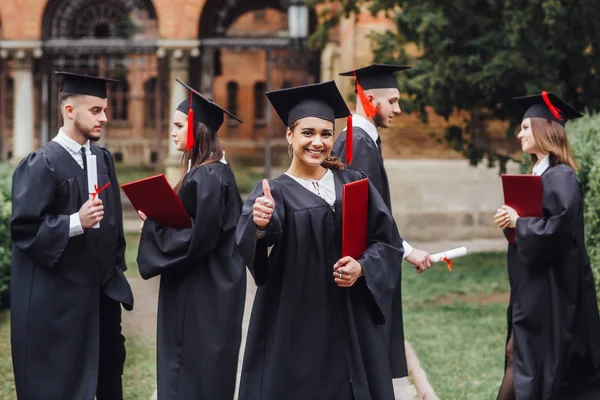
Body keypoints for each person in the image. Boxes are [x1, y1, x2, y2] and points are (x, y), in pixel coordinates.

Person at [236, 81, 404, 400]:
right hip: (298, 324)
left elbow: (387, 241)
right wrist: (259, 225)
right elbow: (257, 247)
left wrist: (363, 267)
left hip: (352, 321)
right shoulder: (273, 192)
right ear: (290, 135)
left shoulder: (354, 183)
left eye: (326, 134)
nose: (318, 142)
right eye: (308, 133)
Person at [10, 71, 134, 399]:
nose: (104, 118)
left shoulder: (102, 158)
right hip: (60, 305)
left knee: (107, 380)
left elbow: (114, 230)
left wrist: (114, 274)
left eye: (105, 109)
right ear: (69, 111)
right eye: (95, 110)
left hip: (100, 300)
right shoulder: (41, 165)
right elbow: (25, 231)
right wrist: (74, 222)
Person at [137, 79, 247, 400]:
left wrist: (154, 226)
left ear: (197, 129)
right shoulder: (214, 171)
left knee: (190, 373)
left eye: (178, 125)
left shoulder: (208, 176)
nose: (171, 132)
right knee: (206, 372)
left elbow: (197, 240)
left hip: (200, 294)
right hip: (213, 289)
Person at [494, 91, 600, 399]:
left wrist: (519, 223)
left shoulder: (561, 176)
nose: (519, 134)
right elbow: (538, 227)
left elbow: (558, 230)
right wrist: (510, 223)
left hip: (552, 291)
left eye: (526, 127)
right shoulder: (540, 174)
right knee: (519, 355)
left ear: (544, 129)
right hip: (534, 287)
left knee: (523, 357)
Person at [333, 63, 433, 379]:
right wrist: (406, 250)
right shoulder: (359, 143)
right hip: (361, 269)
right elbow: (369, 217)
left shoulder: (356, 138)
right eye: (392, 101)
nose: (399, 109)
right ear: (369, 99)